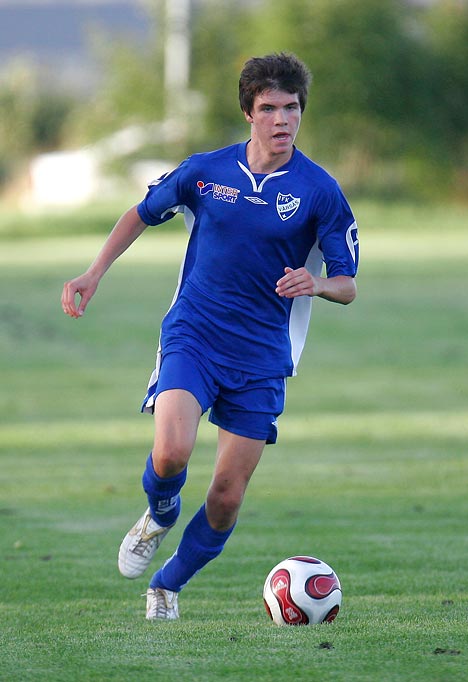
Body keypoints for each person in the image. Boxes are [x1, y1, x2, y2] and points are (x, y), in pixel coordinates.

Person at [62, 52, 359, 620]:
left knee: (225, 498)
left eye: (291, 108)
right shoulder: (207, 171)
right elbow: (141, 213)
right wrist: (93, 272)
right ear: (248, 112)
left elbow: (348, 284)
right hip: (194, 335)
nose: (281, 119)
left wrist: (316, 284)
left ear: (301, 112)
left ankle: (167, 586)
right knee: (171, 451)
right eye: (269, 107)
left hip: (263, 357)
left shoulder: (320, 191)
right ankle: (160, 513)